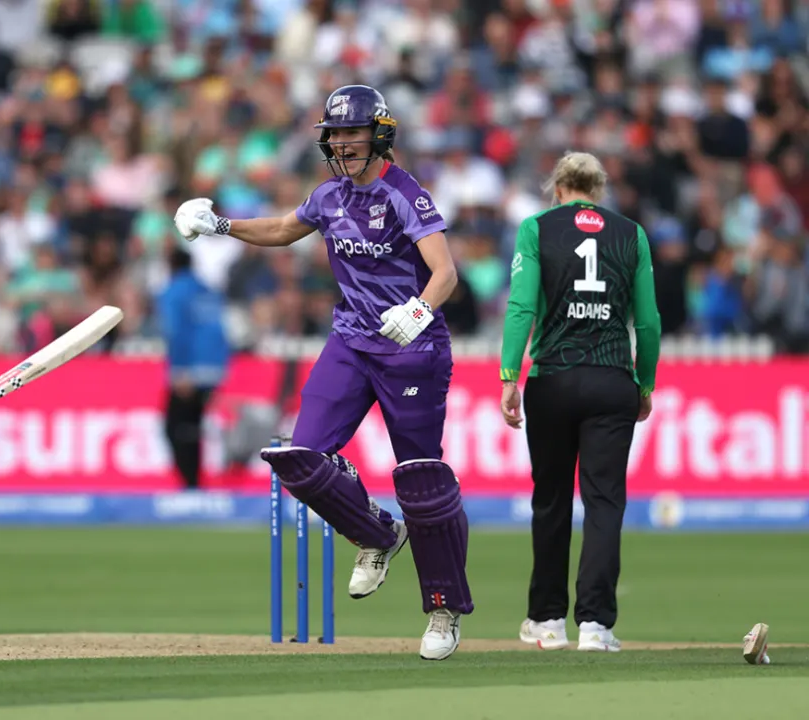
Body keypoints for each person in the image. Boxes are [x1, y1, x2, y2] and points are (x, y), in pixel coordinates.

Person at [174, 85, 471, 661]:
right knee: (300, 457)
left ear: (379, 134)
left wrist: (417, 312)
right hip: (351, 342)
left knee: (420, 480)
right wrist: (220, 225)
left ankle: (443, 609)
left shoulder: (405, 193)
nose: (342, 144)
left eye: (352, 133)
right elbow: (283, 230)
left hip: (412, 350)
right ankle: (377, 534)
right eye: (334, 135)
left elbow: (445, 273)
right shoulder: (329, 195)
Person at [499, 151, 661, 653]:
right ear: (599, 190)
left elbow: (521, 305)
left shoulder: (537, 228)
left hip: (553, 378)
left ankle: (548, 620)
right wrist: (645, 382)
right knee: (604, 501)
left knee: (551, 500)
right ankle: (596, 626)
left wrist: (509, 375)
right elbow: (648, 321)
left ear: (557, 190)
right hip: (612, 380)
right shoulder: (630, 234)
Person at [157, 246, 230, 489]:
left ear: (171, 266)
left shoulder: (174, 291)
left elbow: (175, 331)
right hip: (213, 368)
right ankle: (194, 483)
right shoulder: (208, 290)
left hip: (189, 370)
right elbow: (219, 330)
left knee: (174, 428)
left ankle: (190, 483)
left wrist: (180, 370)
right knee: (192, 427)